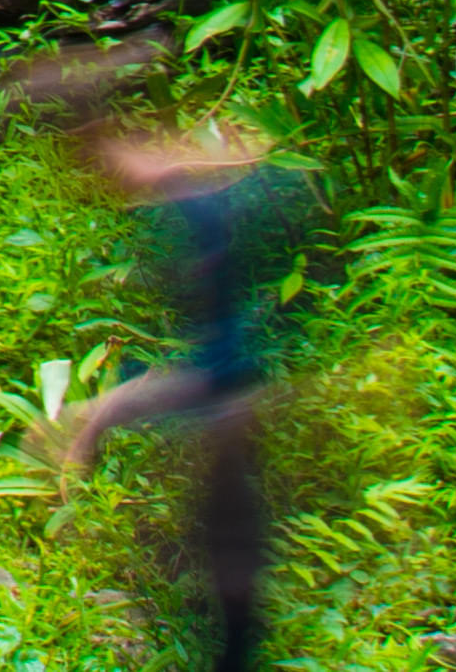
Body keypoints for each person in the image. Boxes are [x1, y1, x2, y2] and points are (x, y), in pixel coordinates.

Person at [32, 101, 309, 672]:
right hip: (232, 414)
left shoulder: (201, 207)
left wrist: (103, 411)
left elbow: (225, 365)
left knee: (232, 578)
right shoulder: (193, 199)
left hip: (237, 414)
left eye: (97, 158)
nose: (103, 179)